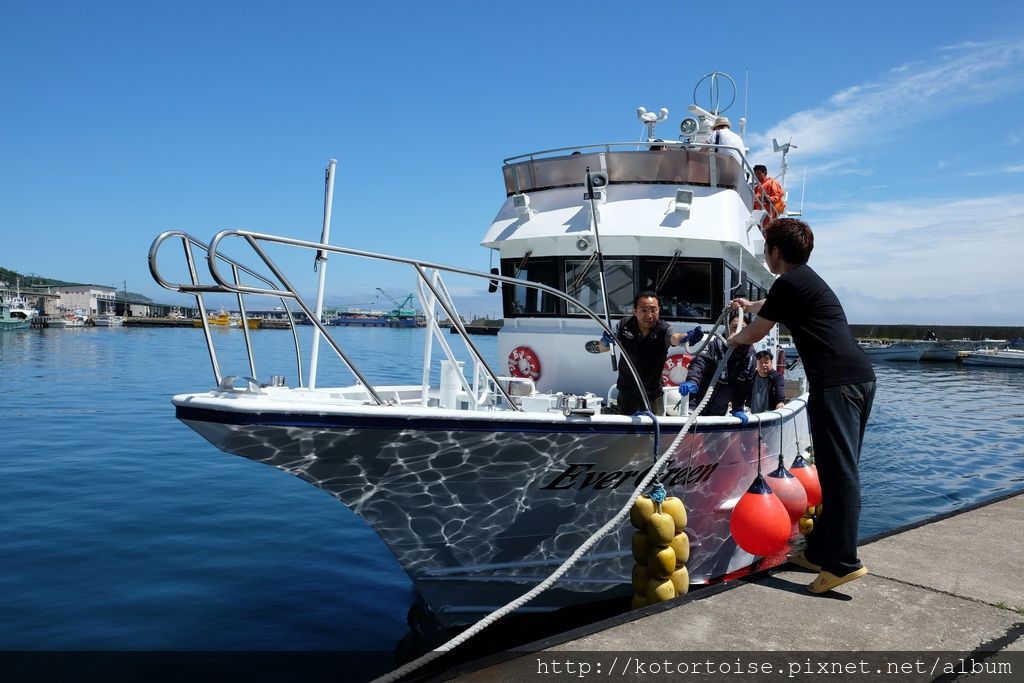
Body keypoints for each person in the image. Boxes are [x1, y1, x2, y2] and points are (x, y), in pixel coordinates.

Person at [726, 218, 876, 595]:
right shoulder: (803, 281)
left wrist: (733, 338)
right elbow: (771, 305)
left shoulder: (789, 283)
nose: (765, 254)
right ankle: (822, 551)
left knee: (840, 474)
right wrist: (750, 303)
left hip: (837, 385)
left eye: (766, 248)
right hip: (857, 379)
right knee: (832, 470)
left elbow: (754, 333)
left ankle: (843, 563)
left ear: (776, 252)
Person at [598, 291, 703, 415]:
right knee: (626, 432)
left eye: (653, 310)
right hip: (627, 392)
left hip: (653, 393)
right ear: (635, 311)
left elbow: (675, 337)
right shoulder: (623, 325)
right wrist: (605, 341)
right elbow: (602, 348)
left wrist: (688, 338)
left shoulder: (664, 329)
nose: (649, 315)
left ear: (659, 310)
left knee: (656, 428)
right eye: (644, 310)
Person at [677, 309, 756, 419]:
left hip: (719, 411)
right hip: (696, 405)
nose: (738, 331)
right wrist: (692, 380)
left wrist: (738, 408)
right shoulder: (715, 346)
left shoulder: (750, 358)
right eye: (734, 327)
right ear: (727, 328)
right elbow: (700, 363)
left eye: (743, 328)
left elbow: (744, 386)